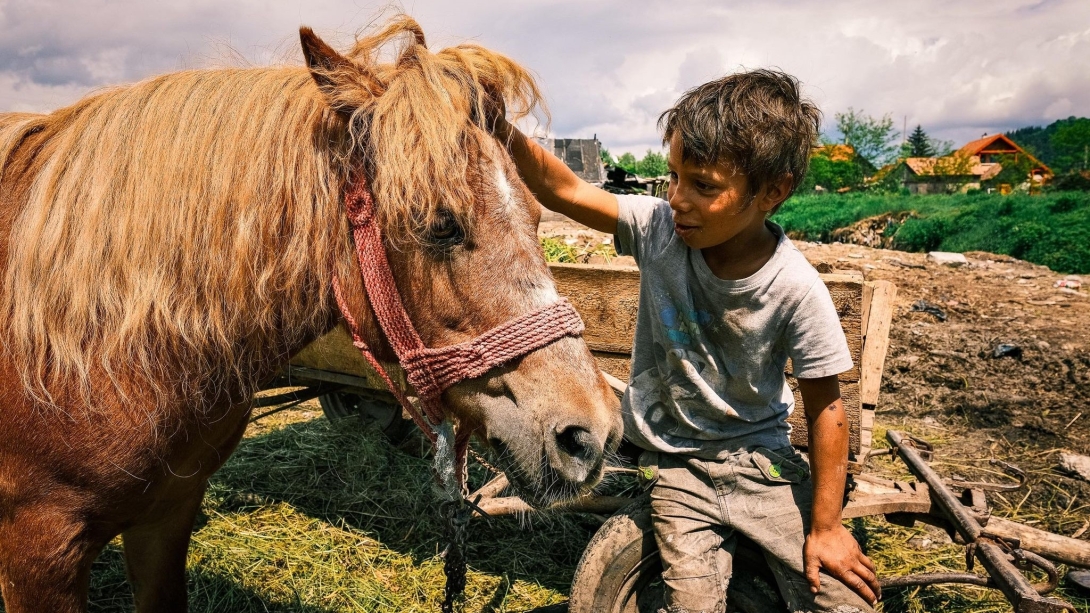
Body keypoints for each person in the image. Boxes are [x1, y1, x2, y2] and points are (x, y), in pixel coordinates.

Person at [492, 69, 881, 613]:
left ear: (772, 192)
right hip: (679, 467)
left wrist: (827, 525)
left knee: (843, 600)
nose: (677, 199)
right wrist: (495, 123)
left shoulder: (795, 288)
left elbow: (827, 407)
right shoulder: (657, 231)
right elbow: (565, 189)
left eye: (704, 186)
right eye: (673, 178)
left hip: (760, 466)